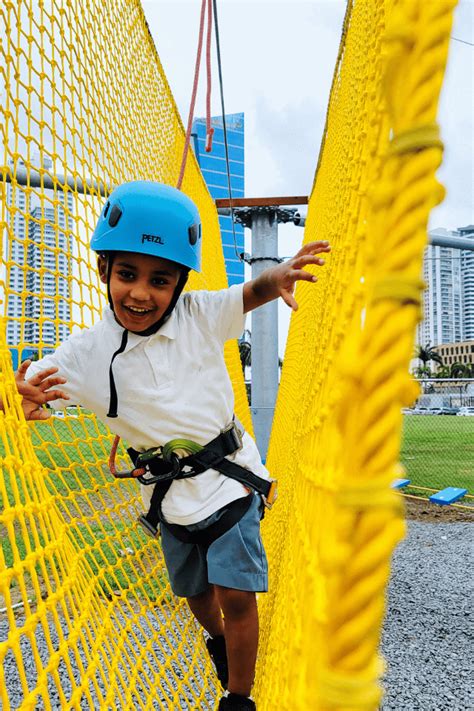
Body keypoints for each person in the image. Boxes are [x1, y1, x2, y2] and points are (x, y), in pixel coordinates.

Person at [21, 181, 330, 711]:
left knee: (236, 594)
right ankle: (218, 643)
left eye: (160, 280)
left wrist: (274, 277)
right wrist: (18, 392)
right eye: (127, 274)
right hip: (168, 499)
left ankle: (239, 698)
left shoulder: (198, 315)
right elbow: (31, 380)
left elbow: (247, 295)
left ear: (180, 284)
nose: (141, 293)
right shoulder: (87, 353)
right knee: (195, 595)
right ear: (104, 272)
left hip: (230, 480)